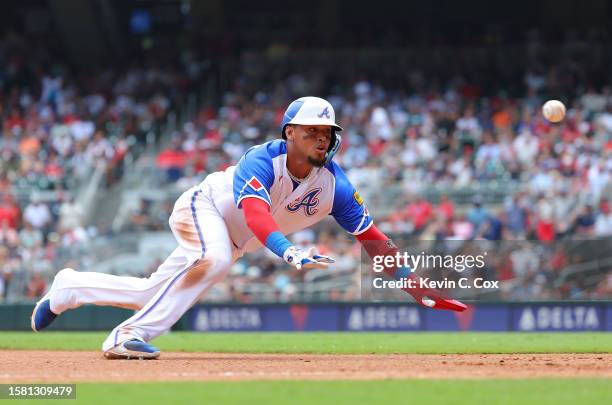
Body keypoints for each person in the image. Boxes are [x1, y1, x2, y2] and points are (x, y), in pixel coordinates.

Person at [31, 97, 466, 359]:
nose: (322, 138)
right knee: (214, 259)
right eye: (312, 130)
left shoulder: (336, 185)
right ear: (290, 132)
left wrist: (415, 285)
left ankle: (71, 287)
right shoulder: (263, 157)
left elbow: (374, 242)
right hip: (203, 210)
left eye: (327, 132)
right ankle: (128, 336)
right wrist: (287, 250)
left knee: (153, 292)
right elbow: (257, 214)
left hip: (234, 239)